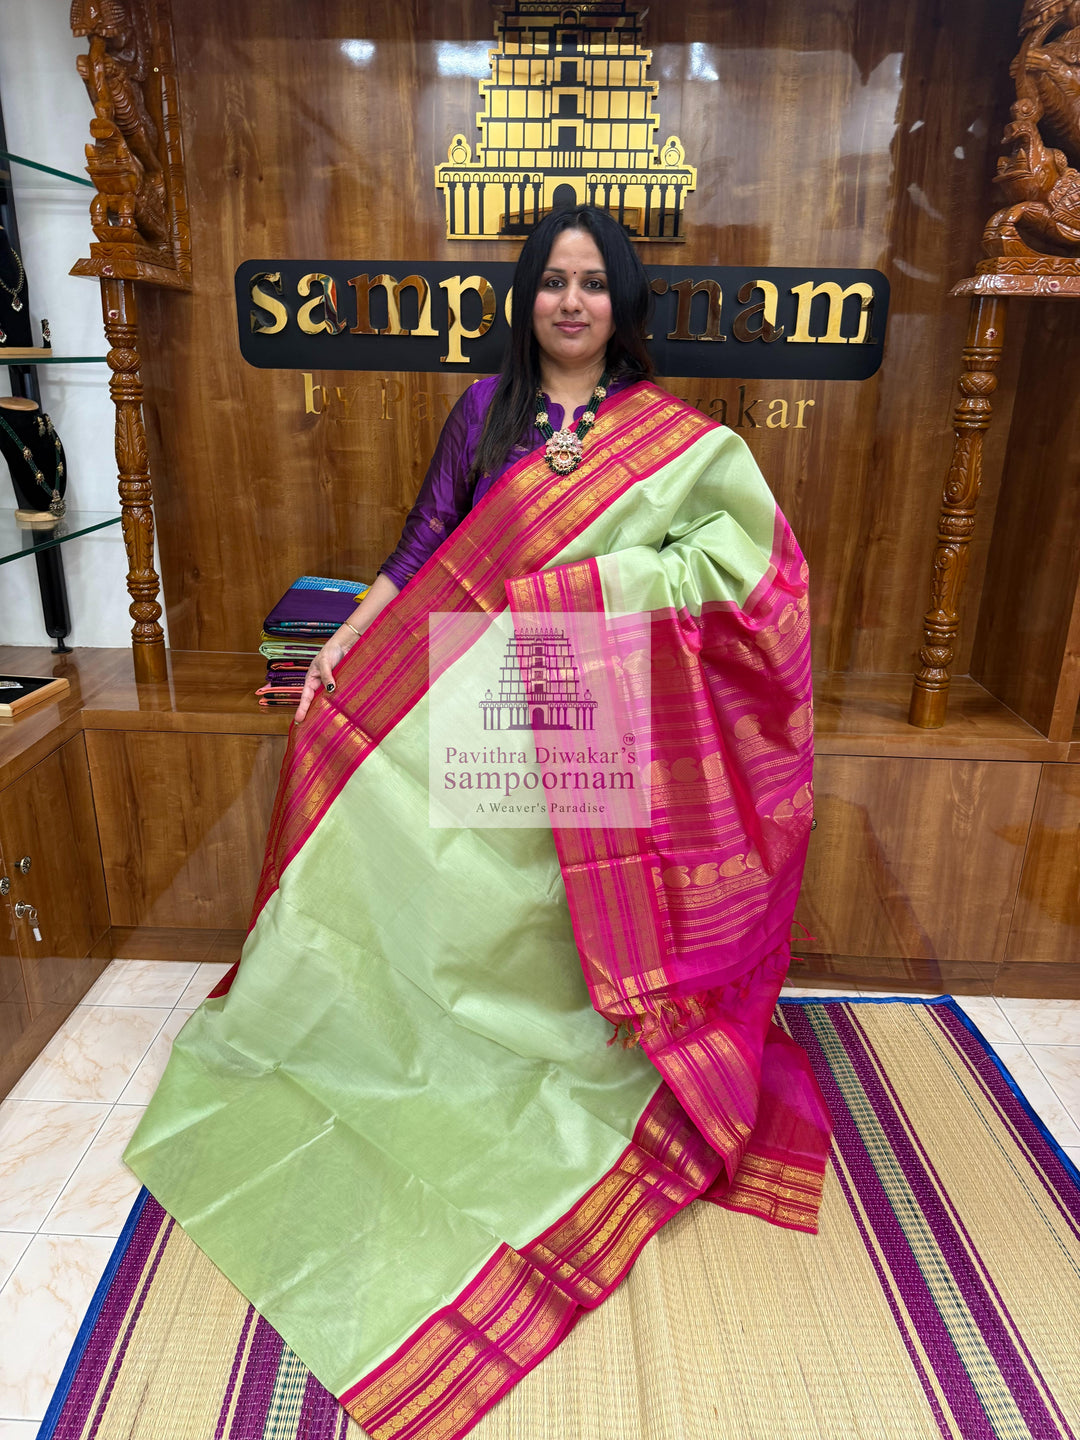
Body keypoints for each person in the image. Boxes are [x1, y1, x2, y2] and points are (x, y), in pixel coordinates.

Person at [124, 207, 831, 1440]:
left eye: (593, 283)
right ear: (526, 298)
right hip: (482, 686)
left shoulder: (671, 439)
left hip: (594, 686)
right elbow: (423, 551)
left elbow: (751, 566)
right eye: (553, 282)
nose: (571, 301)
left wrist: (590, 585)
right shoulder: (484, 412)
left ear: (622, 302)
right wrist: (343, 648)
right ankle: (435, 1038)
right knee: (466, 883)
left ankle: (567, 1049)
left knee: (571, 896)